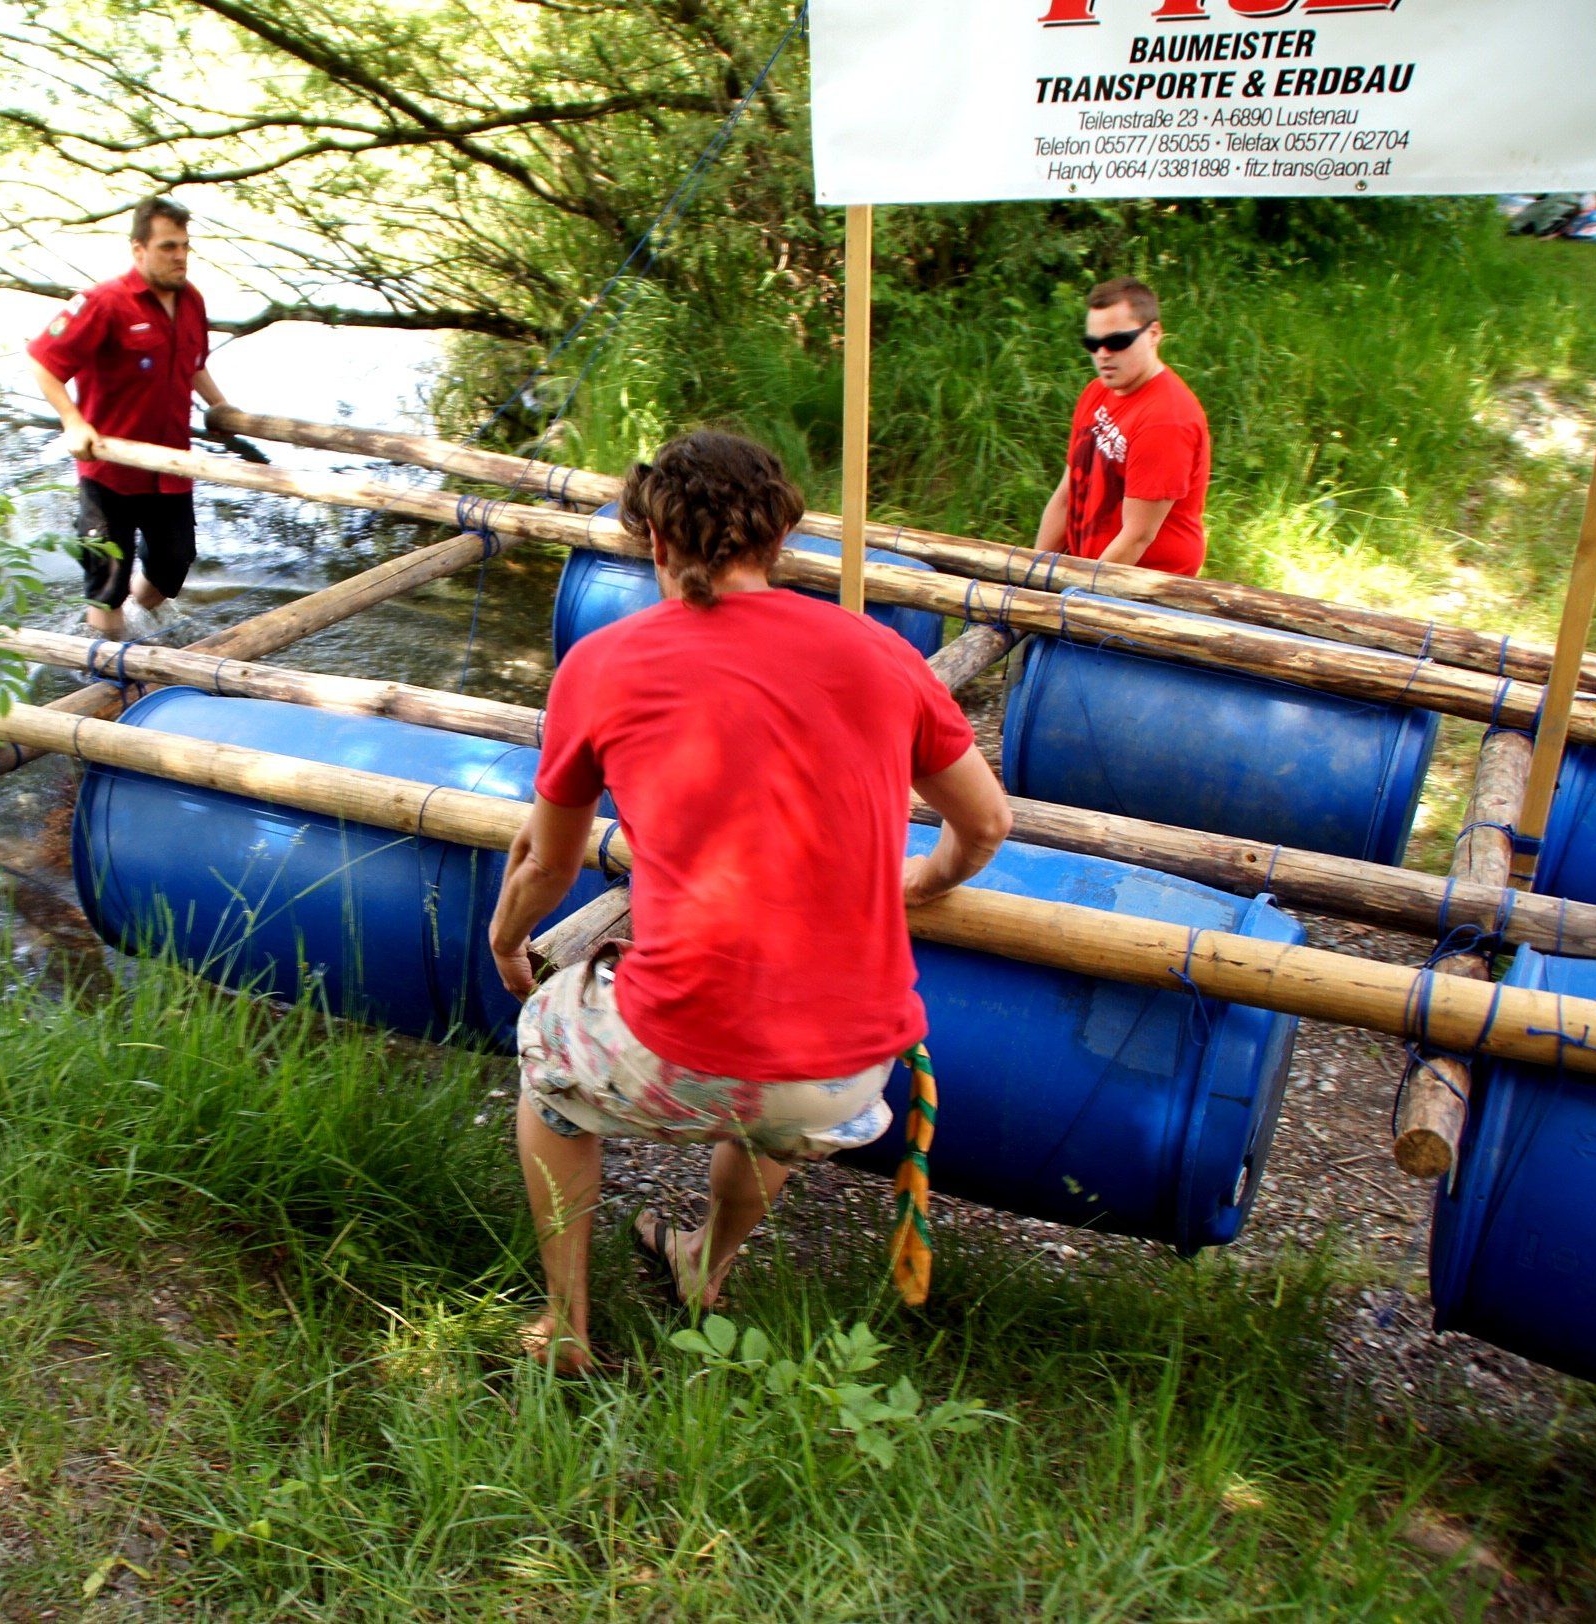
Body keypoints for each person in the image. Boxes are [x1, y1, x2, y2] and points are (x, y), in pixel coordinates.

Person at [487, 431, 1014, 1375]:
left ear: (656, 542)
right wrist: (921, 882)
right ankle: (707, 1264)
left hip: (685, 1043)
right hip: (845, 1075)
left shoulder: (603, 664)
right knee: (776, 1099)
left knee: (548, 1068)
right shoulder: (885, 654)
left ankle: (565, 1326)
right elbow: (985, 825)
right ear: (779, 538)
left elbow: (546, 863)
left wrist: (507, 938)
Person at [28, 196, 232, 640]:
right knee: (107, 586)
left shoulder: (191, 300)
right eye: (167, 247)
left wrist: (220, 406)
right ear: (138, 249)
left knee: (172, 567)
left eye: (185, 246)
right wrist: (72, 421)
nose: (180, 256)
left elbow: (194, 363)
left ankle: (136, 622)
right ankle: (109, 664)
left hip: (170, 468)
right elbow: (44, 361)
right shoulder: (104, 303)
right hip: (110, 473)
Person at [1032, 276, 1210, 576]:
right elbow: (1066, 495)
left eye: (1117, 342)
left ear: (1153, 334)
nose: (1103, 354)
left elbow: (1136, 537)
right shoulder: (1097, 392)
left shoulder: (1166, 420)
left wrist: (1077, 593)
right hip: (1091, 569)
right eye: (1093, 344)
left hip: (1145, 583)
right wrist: (1032, 574)